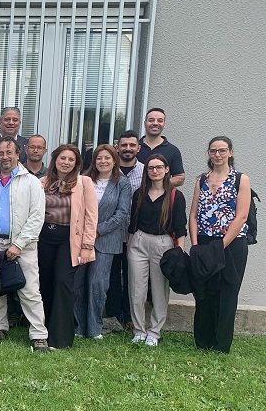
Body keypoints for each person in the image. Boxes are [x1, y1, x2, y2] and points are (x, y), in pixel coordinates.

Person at [0, 136, 51, 351]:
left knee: (30, 291)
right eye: (0, 153)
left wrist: (19, 244)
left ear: (18, 154)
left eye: (9, 152)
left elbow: (37, 217)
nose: (5, 157)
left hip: (22, 245)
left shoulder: (31, 182)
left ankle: (38, 334)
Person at [189, 137, 250, 353]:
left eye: (222, 150)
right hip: (205, 242)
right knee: (205, 291)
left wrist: (221, 246)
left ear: (230, 152)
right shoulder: (201, 180)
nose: (217, 155)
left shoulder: (240, 180)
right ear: (208, 153)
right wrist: (196, 246)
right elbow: (194, 214)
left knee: (227, 292)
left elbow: (241, 217)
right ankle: (203, 341)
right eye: (213, 151)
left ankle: (221, 344)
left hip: (232, 244)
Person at [38, 144, 98, 349]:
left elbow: (91, 216)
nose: (66, 162)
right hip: (43, 238)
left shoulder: (85, 183)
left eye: (71, 159)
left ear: (77, 163)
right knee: (44, 283)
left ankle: (61, 337)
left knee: (63, 282)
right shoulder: (42, 183)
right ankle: (42, 330)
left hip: (68, 240)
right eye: (62, 158)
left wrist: (87, 246)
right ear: (55, 160)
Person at [73, 145, 132, 339]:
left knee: (97, 284)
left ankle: (94, 327)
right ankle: (80, 326)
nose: (103, 162)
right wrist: (85, 231)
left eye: (107, 158)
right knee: (77, 283)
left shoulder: (122, 183)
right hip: (80, 240)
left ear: (115, 160)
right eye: (99, 158)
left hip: (105, 241)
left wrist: (97, 230)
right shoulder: (83, 180)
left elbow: (122, 213)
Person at [128, 154, 186, 346]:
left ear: (166, 169)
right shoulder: (139, 193)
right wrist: (130, 245)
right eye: (151, 168)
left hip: (163, 244)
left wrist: (179, 252)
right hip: (139, 241)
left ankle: (154, 332)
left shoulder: (176, 196)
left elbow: (180, 227)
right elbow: (132, 223)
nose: (155, 171)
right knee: (137, 290)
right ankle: (139, 330)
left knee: (160, 291)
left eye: (159, 167)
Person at [106, 130, 145, 329]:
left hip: (136, 233)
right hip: (112, 232)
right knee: (112, 275)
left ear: (138, 148)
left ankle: (130, 316)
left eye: (132, 145)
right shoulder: (109, 170)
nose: (127, 148)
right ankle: (114, 314)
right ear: (117, 147)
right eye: (124, 145)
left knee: (133, 276)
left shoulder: (147, 170)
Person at [137, 108, 185, 187]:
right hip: (134, 197)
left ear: (164, 124)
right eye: (151, 120)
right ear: (145, 123)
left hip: (162, 198)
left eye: (160, 120)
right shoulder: (133, 148)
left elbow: (180, 178)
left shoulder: (172, 150)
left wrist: (157, 185)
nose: (155, 123)